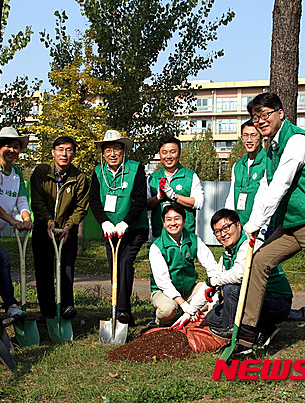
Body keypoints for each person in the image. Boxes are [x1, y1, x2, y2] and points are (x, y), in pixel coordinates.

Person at [239, 92, 305, 364]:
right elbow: (264, 186)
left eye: (266, 114)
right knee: (260, 261)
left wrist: (256, 223)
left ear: (281, 113)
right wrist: (254, 225)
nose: (261, 121)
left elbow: (281, 185)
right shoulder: (270, 147)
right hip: (293, 224)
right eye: (256, 116)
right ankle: (246, 336)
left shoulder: (297, 141)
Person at [205, 209, 292, 349]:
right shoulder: (227, 253)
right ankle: (263, 330)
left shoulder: (250, 245)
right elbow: (211, 281)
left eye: (226, 227)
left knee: (231, 289)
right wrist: (188, 312)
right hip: (252, 301)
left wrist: (214, 282)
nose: (223, 234)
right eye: (217, 231)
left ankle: (235, 341)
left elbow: (239, 274)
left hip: (276, 303)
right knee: (212, 318)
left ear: (238, 225)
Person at [90, 129, 149, 326]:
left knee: (124, 262)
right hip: (110, 231)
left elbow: (140, 200)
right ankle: (122, 312)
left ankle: (122, 310)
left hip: (133, 229)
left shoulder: (136, 169)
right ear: (103, 153)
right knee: (114, 267)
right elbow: (94, 202)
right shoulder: (98, 172)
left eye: (116, 149)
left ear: (124, 151)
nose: (112, 154)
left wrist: (125, 223)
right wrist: (105, 222)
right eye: (108, 150)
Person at [30, 136, 90, 320]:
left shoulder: (79, 178)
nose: (64, 154)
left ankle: (66, 308)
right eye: (60, 149)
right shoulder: (41, 172)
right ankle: (47, 312)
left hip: (66, 234)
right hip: (43, 232)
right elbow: (37, 201)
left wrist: (68, 226)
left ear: (73, 153)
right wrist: (48, 222)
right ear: (53, 152)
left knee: (66, 270)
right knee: (44, 273)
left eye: (69, 150)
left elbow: (81, 207)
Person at [0, 127, 33, 319]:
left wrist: (26, 219)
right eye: (7, 146)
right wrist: (12, 220)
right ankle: (7, 304)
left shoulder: (16, 174)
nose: (12, 150)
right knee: (1, 258)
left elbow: (21, 200)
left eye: (16, 147)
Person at [148, 203, 217, 328]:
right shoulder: (156, 247)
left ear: (184, 222)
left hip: (189, 290)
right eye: (168, 220)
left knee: (214, 296)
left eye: (177, 219)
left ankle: (192, 317)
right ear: (163, 223)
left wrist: (215, 290)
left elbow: (211, 265)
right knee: (167, 310)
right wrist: (184, 305)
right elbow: (164, 283)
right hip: (163, 292)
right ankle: (160, 322)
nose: (173, 223)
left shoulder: (193, 239)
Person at [147, 136, 204, 239]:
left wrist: (174, 196)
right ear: (159, 154)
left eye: (173, 152)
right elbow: (146, 205)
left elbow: (198, 203)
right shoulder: (153, 178)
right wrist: (158, 197)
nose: (168, 156)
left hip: (186, 236)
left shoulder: (191, 176)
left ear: (179, 153)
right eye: (164, 152)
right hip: (159, 235)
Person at [225, 119, 266, 226]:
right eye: (245, 135)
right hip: (239, 224)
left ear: (262, 138)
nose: (249, 140)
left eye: (253, 135)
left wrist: (257, 223)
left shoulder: (268, 163)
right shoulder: (237, 165)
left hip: (260, 225)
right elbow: (231, 195)